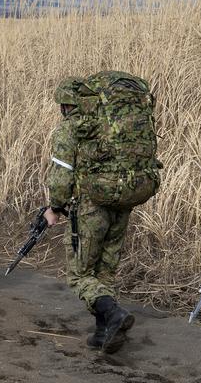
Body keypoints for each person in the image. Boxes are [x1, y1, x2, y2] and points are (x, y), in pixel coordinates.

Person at [44, 72, 160, 353]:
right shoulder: (110, 125)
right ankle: (105, 331)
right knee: (105, 271)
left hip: (91, 204)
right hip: (124, 198)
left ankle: (113, 315)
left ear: (66, 105)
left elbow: (61, 176)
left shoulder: (70, 129)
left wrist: (54, 207)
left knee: (81, 275)